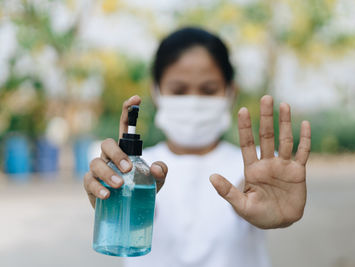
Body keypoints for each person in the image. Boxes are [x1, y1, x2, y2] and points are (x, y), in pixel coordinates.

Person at [84, 27, 311, 267]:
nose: (193, 100)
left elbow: (252, 198)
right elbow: (144, 217)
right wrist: (120, 197)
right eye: (179, 90)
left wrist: (269, 205)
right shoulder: (135, 170)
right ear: (156, 91)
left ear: (231, 92)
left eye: (208, 90)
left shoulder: (256, 166)